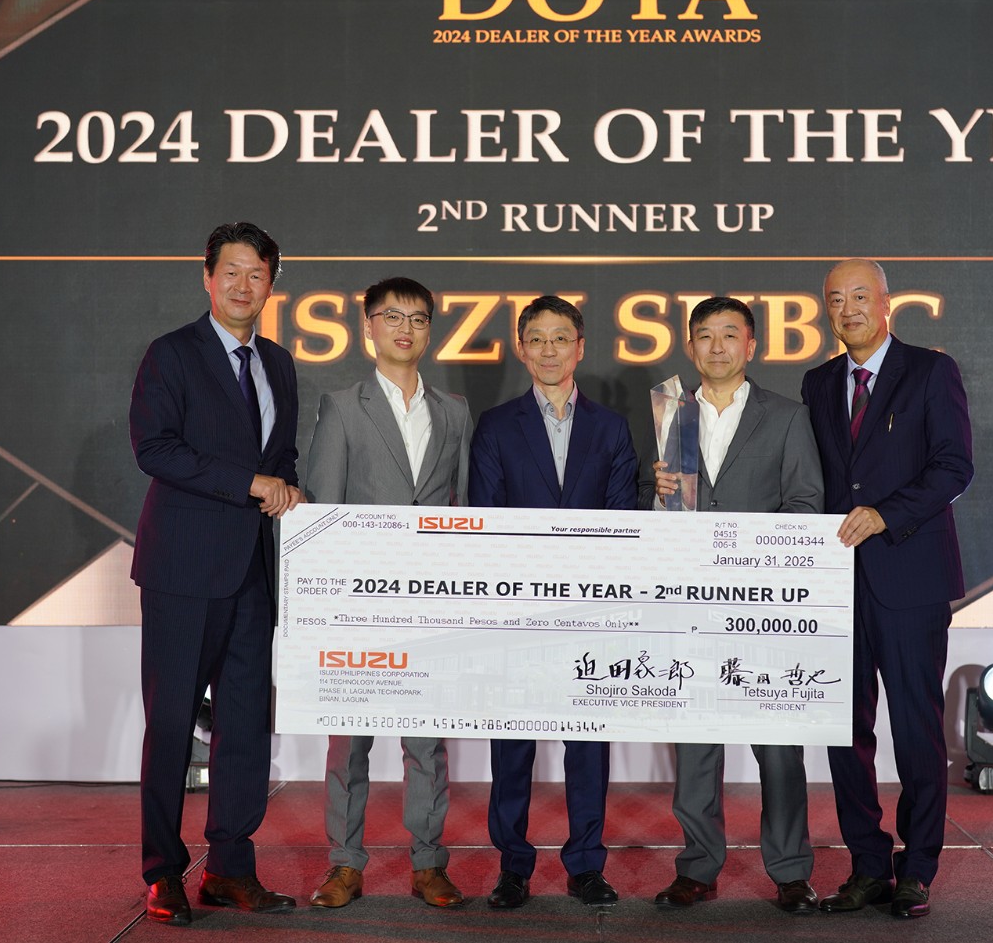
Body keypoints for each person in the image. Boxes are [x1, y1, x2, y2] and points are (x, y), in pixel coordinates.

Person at [128, 222, 303, 926]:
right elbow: (154, 448)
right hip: (182, 567)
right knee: (172, 723)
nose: (242, 285)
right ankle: (162, 871)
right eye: (230, 271)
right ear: (207, 277)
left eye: (256, 274)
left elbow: (279, 457)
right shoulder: (172, 354)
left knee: (246, 725)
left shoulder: (279, 363)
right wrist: (251, 483)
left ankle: (230, 867)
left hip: (253, 571)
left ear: (271, 284)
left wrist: (288, 486)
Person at [801, 259, 973, 920]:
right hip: (836, 582)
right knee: (844, 730)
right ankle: (868, 865)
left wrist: (885, 513)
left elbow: (953, 466)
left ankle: (917, 867)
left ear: (885, 302)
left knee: (916, 729)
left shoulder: (930, 371)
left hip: (910, 576)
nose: (847, 309)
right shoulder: (818, 382)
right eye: (835, 299)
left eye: (858, 296)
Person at [642, 296, 824, 913]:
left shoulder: (787, 416)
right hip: (688, 606)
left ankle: (791, 871)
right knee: (696, 743)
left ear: (751, 345)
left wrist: (750, 560)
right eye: (705, 335)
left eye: (729, 335)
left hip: (762, 607)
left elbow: (805, 504)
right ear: (690, 346)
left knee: (779, 747)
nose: (716, 347)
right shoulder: (670, 413)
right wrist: (656, 493)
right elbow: (650, 505)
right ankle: (697, 866)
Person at [302, 277, 472, 910]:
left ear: (430, 330)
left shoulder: (455, 410)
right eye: (393, 317)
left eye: (418, 319)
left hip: (431, 603)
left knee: (426, 740)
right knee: (349, 742)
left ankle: (429, 864)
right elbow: (322, 510)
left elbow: (463, 509)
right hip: (357, 604)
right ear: (368, 326)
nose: (406, 329)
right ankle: (344, 864)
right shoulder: (343, 406)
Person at [468, 295, 638, 910]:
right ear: (521, 349)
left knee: (588, 745)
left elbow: (623, 523)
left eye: (560, 338)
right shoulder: (496, 425)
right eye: (536, 338)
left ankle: (586, 864)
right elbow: (486, 521)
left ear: (580, 347)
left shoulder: (611, 427)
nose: (548, 350)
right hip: (517, 613)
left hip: (592, 613)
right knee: (512, 746)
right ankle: (513, 866)